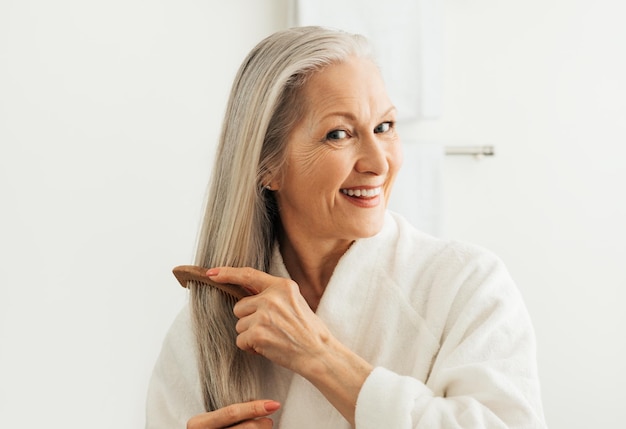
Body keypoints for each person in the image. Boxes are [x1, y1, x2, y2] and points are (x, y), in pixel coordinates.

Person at [145, 26, 547, 428]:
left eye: (385, 127)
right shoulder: (206, 330)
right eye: (339, 134)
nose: (379, 162)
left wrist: (320, 355)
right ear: (267, 166)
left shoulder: (466, 285)